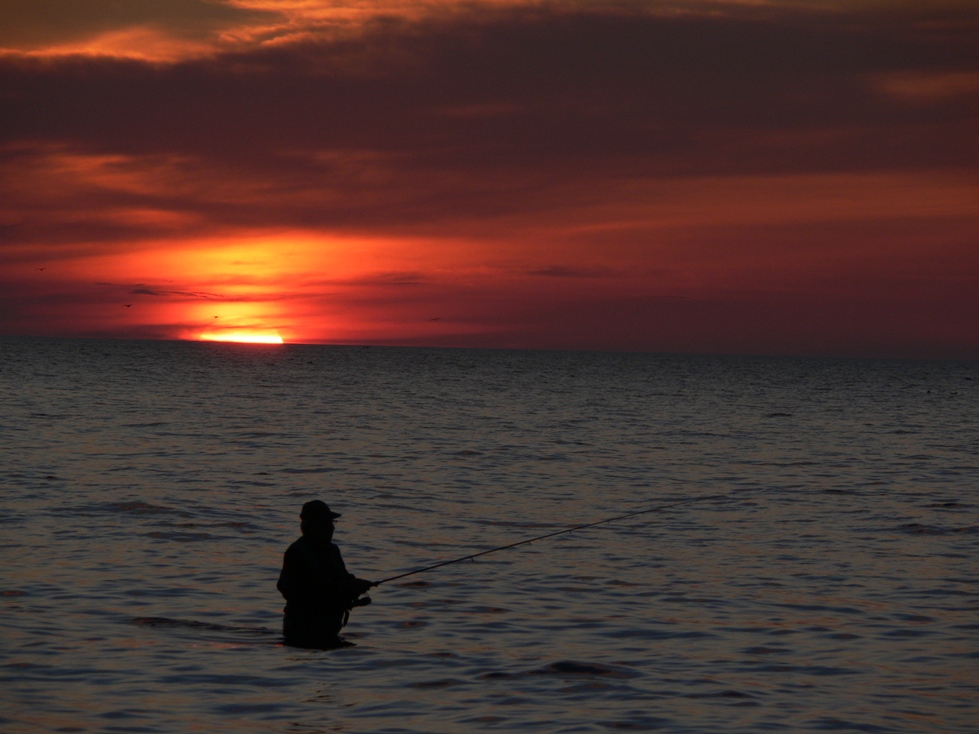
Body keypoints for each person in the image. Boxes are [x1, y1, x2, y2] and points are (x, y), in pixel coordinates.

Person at [277, 500, 375, 648]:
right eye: (327, 523)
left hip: (330, 628)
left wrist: (356, 587)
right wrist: (348, 588)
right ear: (312, 526)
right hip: (302, 630)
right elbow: (305, 592)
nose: (331, 528)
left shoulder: (333, 550)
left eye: (332, 523)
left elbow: (341, 579)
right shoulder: (296, 553)